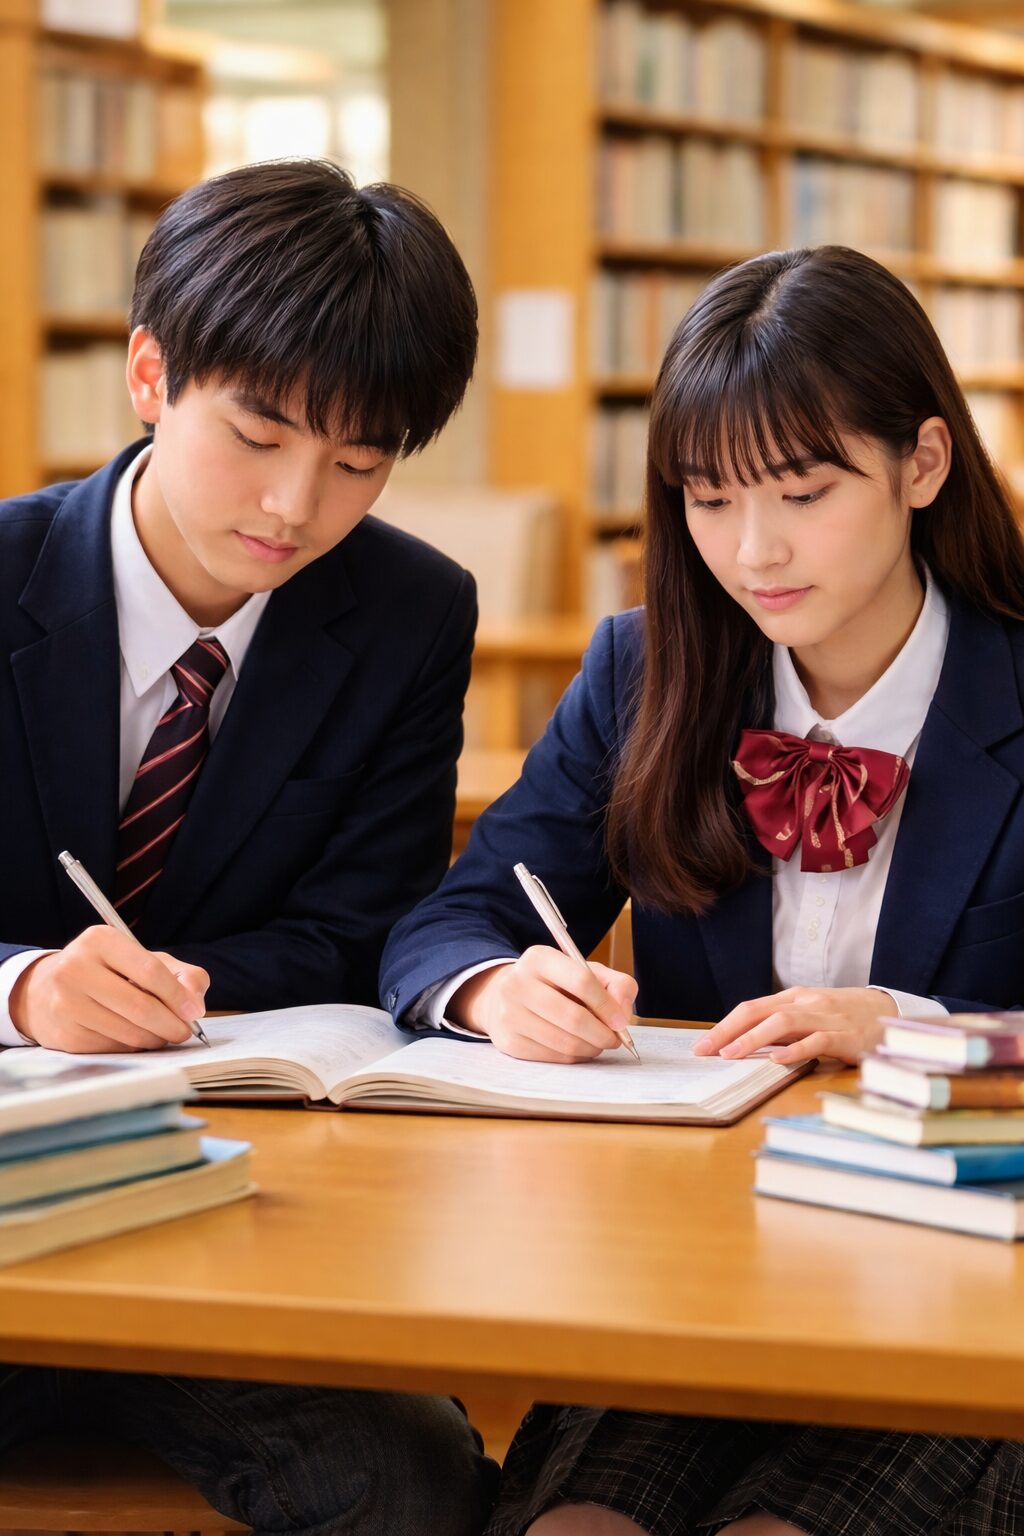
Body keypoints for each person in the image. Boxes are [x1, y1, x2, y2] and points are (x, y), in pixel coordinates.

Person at [380, 244, 1024, 1534]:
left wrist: (915, 1028)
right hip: (695, 1266)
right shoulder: (642, 671)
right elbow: (453, 920)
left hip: (965, 1276)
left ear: (923, 463)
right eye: (710, 499)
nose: (753, 549)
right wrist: (499, 989)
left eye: (803, 492)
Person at [0, 158, 495, 1535]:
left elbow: (361, 929)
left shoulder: (409, 613)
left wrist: (176, 990)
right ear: (150, 375)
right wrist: (26, 989)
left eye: (357, 463)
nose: (293, 505)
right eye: (260, 433)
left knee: (415, 1482)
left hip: (254, 1217)